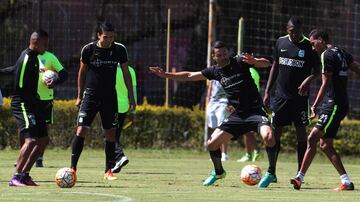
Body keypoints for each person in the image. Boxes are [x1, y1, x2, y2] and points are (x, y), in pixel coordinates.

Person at [149, 41, 275, 186]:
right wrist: (166, 75)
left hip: (255, 111)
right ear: (214, 56)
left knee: (269, 136)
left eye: (224, 53)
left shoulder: (240, 61)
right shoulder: (214, 71)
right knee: (212, 144)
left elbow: (267, 63)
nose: (222, 57)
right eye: (219, 55)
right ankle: (219, 172)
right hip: (238, 115)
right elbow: (189, 75)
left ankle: (271, 173)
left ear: (228, 53)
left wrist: (255, 61)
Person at [291, 29, 359, 191]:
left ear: (320, 40)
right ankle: (346, 182)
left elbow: (325, 83)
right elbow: (357, 68)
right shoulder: (341, 52)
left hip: (334, 104)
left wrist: (314, 104)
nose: (313, 47)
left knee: (313, 138)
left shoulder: (326, 55)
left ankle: (300, 177)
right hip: (339, 103)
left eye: (313, 43)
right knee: (324, 144)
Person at [70, 22, 136, 181]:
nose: (109, 40)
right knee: (80, 131)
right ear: (99, 35)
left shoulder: (119, 49)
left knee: (111, 134)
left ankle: (108, 170)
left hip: (109, 98)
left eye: (112, 37)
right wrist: (79, 95)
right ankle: (72, 168)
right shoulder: (89, 49)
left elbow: (126, 74)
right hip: (91, 96)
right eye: (106, 37)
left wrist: (131, 96)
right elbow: (82, 72)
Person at [259, 17, 320, 188]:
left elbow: (318, 71)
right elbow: (275, 66)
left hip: (300, 99)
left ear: (302, 30)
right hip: (280, 97)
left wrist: (309, 79)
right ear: (287, 29)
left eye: (297, 31)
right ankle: (271, 172)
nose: (294, 34)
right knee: (274, 134)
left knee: (301, 134)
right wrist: (267, 91)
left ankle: (299, 175)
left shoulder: (309, 45)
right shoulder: (280, 42)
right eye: (291, 31)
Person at [7, 30, 50, 186]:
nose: (47, 47)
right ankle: (16, 177)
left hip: (34, 103)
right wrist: (32, 102)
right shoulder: (26, 57)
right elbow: (19, 85)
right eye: (45, 44)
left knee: (44, 139)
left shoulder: (34, 58)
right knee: (31, 140)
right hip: (23, 103)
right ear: (36, 42)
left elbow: (13, 69)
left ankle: (25, 175)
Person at [110, 65, 137, 173]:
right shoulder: (130, 70)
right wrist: (133, 111)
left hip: (111, 106)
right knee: (115, 135)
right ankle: (114, 163)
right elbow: (133, 92)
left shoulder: (108, 67)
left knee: (108, 135)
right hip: (124, 107)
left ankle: (120, 157)